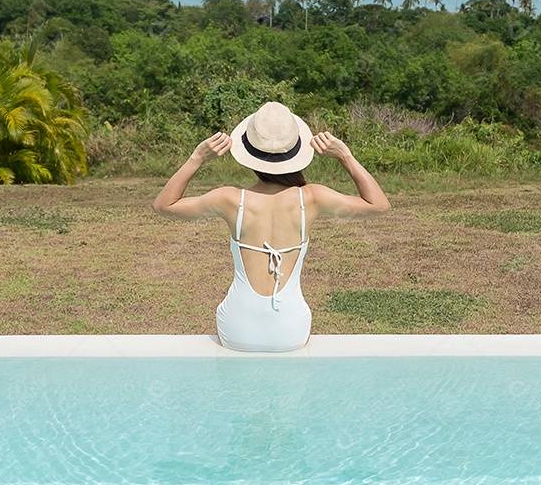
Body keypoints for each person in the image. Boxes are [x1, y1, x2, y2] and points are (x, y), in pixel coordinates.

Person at [153, 102, 390, 351]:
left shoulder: (230, 200)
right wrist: (345, 156)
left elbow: (164, 205)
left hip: (238, 326)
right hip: (290, 328)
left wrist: (197, 158)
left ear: (250, 154)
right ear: (297, 152)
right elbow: (379, 205)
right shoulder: (311, 198)